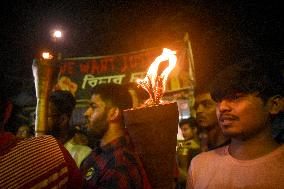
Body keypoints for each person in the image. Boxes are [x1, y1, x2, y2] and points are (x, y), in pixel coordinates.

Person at [187, 58, 284, 189]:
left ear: (274, 104)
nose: (222, 108)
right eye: (218, 100)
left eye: (236, 97)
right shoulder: (199, 166)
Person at [0, 93, 82, 189]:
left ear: (63, 119)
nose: (36, 123)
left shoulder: (76, 151)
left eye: (42, 116)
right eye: (35, 116)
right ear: (8, 111)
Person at [81, 83, 151, 188]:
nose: (86, 113)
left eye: (94, 107)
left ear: (113, 113)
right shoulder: (99, 151)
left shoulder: (119, 165)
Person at [193, 86, 228, 151]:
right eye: (196, 106)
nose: (198, 110)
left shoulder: (235, 147)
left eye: (207, 105)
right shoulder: (198, 145)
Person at [176, 117, 201, 189]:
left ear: (194, 130)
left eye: (185, 129)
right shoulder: (185, 145)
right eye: (182, 130)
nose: (183, 133)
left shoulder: (195, 146)